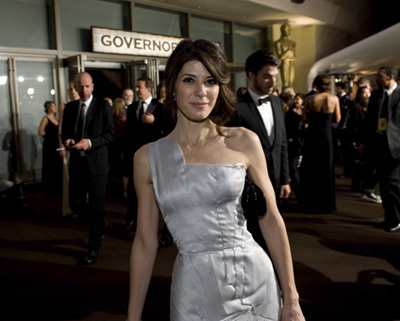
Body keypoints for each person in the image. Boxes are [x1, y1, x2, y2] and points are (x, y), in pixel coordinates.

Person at [127, 38, 304, 321]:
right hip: (194, 290)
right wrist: (132, 317)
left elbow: (270, 220)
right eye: (189, 80)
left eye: (210, 81)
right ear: (172, 86)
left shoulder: (244, 141)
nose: (201, 92)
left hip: (256, 281)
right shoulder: (148, 158)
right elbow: (146, 243)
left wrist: (292, 298)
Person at [228, 48, 291, 251]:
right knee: (252, 239)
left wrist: (285, 179)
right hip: (248, 187)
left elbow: (281, 144)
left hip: (275, 182)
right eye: (266, 77)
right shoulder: (237, 108)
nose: (273, 82)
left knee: (274, 237)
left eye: (275, 77)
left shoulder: (277, 103)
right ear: (251, 75)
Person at [61, 72, 114, 265]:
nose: (84, 90)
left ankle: (93, 248)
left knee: (97, 206)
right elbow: (65, 131)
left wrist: (90, 143)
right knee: (75, 203)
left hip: (97, 165)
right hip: (77, 163)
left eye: (87, 86)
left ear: (92, 87)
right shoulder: (71, 108)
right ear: (76, 87)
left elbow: (110, 134)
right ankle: (100, 224)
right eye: (80, 87)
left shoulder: (103, 106)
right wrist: (66, 140)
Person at [122, 77, 167, 232]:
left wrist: (154, 121)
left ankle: (157, 225)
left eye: (139, 87)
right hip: (134, 155)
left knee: (155, 190)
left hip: (153, 155)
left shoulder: (160, 108)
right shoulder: (132, 107)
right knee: (134, 190)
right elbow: (127, 131)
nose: (136, 90)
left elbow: (167, 129)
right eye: (136, 86)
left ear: (148, 89)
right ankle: (131, 220)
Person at [298, 74, 341, 213]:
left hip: (312, 136)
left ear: (316, 84)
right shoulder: (334, 99)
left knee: (311, 167)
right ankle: (326, 203)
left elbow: (304, 118)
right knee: (326, 167)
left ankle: (309, 202)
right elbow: (338, 119)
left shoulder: (310, 99)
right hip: (326, 136)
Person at [364, 66, 400, 232]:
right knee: (384, 186)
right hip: (378, 146)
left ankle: (396, 217)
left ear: (390, 77)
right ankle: (391, 219)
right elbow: (369, 120)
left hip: (396, 147)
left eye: (380, 76)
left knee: (393, 184)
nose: (376, 79)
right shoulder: (377, 95)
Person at [350, 86, 382, 203]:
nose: (368, 95)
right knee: (371, 166)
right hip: (366, 140)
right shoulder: (358, 107)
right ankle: (367, 188)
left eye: (369, 92)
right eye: (365, 93)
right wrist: (358, 140)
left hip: (371, 139)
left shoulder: (374, 105)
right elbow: (357, 125)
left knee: (372, 166)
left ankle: (366, 188)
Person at [38, 101, 63, 191]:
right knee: (50, 163)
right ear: (49, 108)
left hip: (56, 143)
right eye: (53, 106)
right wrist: (49, 135)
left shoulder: (56, 118)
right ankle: (49, 185)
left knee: (57, 163)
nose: (54, 107)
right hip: (49, 144)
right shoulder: (46, 118)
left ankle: (57, 184)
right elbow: (40, 132)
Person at [285, 93, 306, 198]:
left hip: (303, 144)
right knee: (293, 168)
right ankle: (298, 192)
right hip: (293, 144)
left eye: (298, 99)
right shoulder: (290, 113)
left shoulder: (305, 112)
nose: (296, 101)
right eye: (295, 99)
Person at [335, 81, 357, 178]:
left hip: (346, 129)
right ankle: (346, 170)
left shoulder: (347, 101)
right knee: (343, 151)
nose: (336, 89)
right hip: (339, 128)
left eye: (337, 87)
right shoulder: (338, 99)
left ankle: (348, 171)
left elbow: (349, 116)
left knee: (347, 151)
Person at [110, 97, 128, 198]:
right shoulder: (125, 119)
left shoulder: (113, 119)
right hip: (121, 145)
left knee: (116, 169)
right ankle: (124, 191)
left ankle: (117, 190)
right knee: (123, 171)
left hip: (114, 146)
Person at [274, 22, 296, 89]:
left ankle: (290, 87)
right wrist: (288, 51)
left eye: (289, 29)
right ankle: (286, 86)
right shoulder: (278, 42)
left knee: (291, 82)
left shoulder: (293, 43)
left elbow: (294, 56)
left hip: (291, 62)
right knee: (285, 63)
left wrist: (289, 54)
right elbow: (280, 56)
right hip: (284, 63)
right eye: (286, 29)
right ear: (282, 30)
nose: (288, 31)